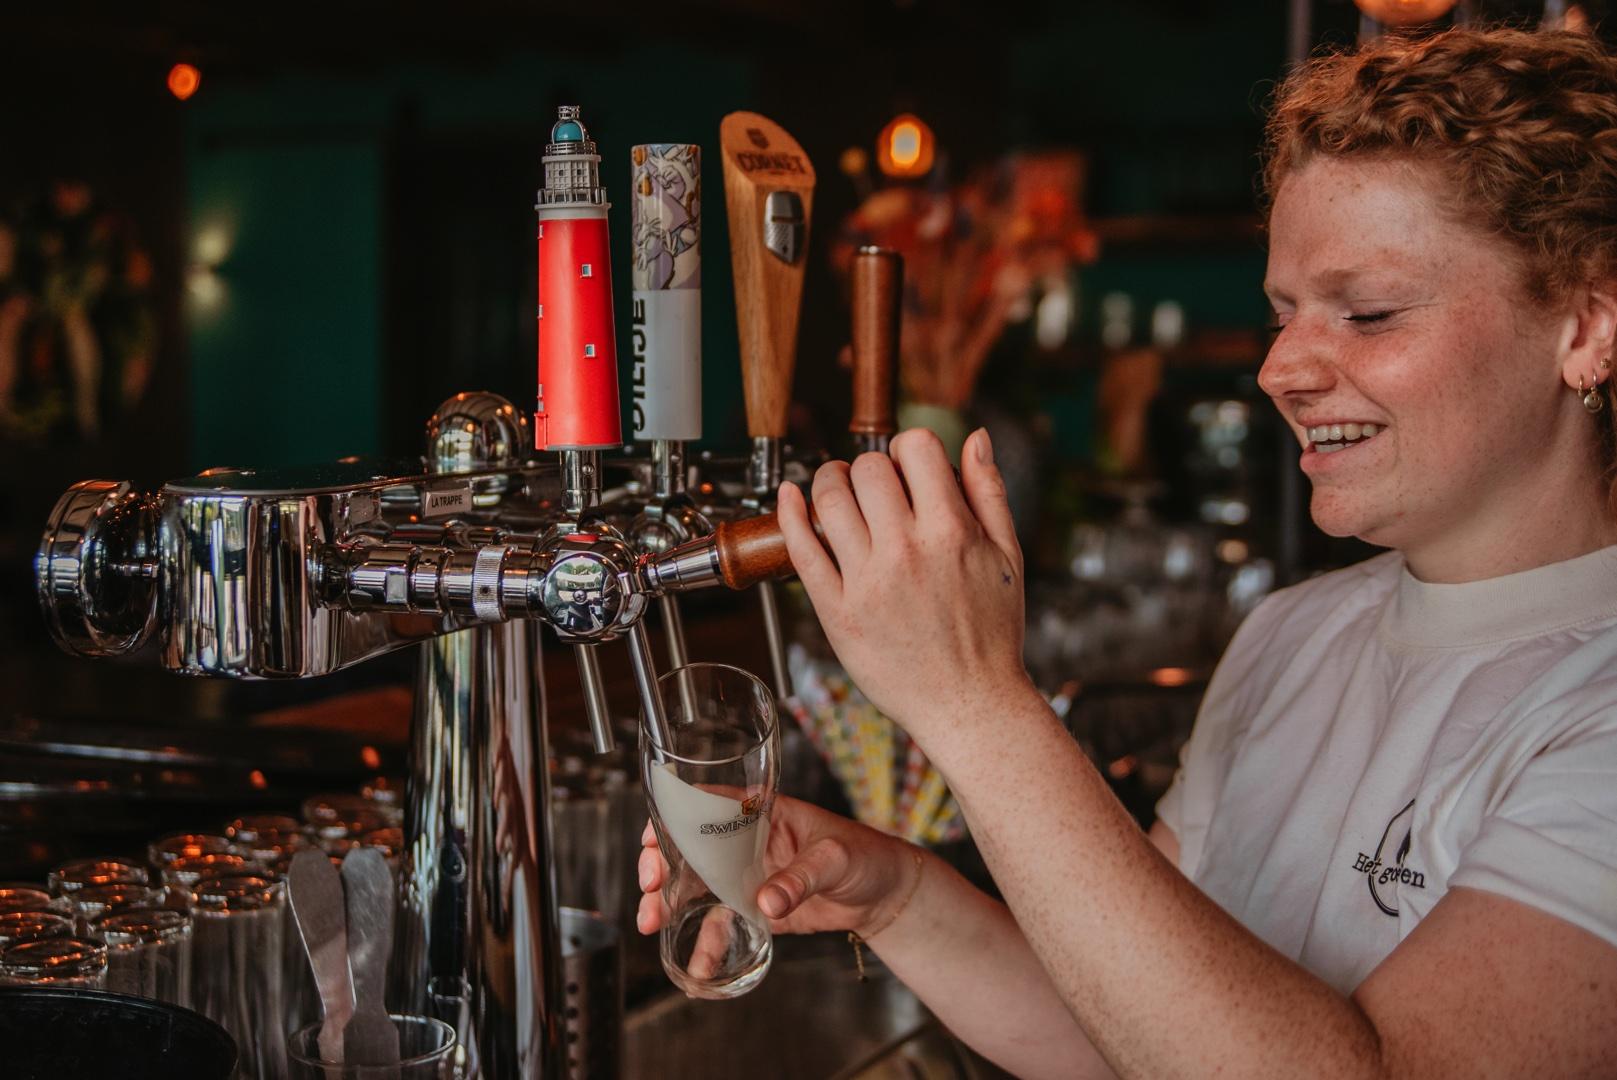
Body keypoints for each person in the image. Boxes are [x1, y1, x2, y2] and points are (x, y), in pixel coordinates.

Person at [639, 26, 1617, 1078]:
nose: (1283, 369)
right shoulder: (1296, 633)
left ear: (1584, 328)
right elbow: (1135, 1030)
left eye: (1368, 312)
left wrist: (976, 704)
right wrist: (898, 896)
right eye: (1283, 313)